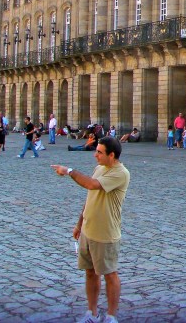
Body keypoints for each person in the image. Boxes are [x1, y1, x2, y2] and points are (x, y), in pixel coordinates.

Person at [52, 136, 130, 323]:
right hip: (88, 230)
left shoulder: (121, 173)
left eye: (99, 152)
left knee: (110, 274)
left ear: (112, 155)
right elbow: (90, 197)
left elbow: (92, 184)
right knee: (90, 272)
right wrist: (79, 224)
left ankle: (111, 317)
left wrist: (69, 171)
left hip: (105, 233)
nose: (95, 155)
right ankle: (92, 314)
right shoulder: (99, 168)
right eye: (96, 151)